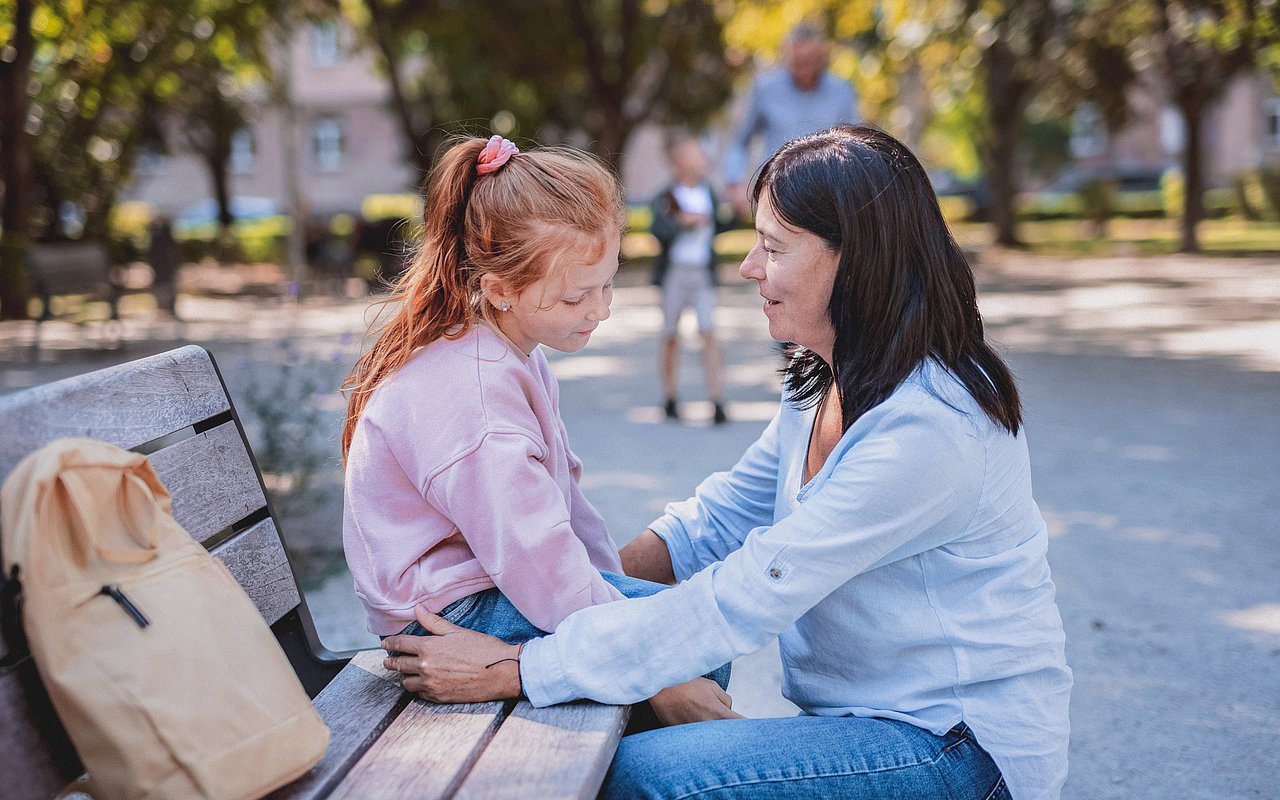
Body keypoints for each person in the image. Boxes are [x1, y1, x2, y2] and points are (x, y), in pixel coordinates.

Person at [382, 125, 1072, 800]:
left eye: (772, 247)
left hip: (956, 750)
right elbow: (712, 525)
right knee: (643, 681)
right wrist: (577, 605)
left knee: (644, 776)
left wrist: (519, 667)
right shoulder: (831, 375)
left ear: (853, 260)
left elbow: (749, 594)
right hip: (874, 724)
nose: (746, 268)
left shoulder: (928, 431)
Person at [340, 135, 728, 714]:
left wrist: (612, 586)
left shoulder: (515, 351)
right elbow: (536, 557)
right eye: (576, 298)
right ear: (499, 291)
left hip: (489, 584)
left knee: (696, 642)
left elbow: (565, 509)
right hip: (448, 618)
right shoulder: (477, 396)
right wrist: (645, 668)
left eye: (608, 285)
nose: (601, 310)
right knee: (693, 655)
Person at [723, 23, 860, 217]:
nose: (802, 69)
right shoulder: (765, 90)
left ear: (821, 58)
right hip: (777, 194)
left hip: (828, 196)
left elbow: (854, 145)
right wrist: (734, 182)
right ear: (786, 58)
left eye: (808, 61)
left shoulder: (842, 91)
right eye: (797, 62)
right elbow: (739, 142)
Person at [649, 136, 731, 424]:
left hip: (702, 272)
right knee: (670, 334)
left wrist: (734, 210)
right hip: (675, 272)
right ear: (680, 161)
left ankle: (716, 399)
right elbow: (658, 230)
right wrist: (682, 223)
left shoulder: (708, 191)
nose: (702, 157)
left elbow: (721, 224)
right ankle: (669, 396)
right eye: (696, 153)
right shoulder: (667, 196)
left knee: (708, 332)